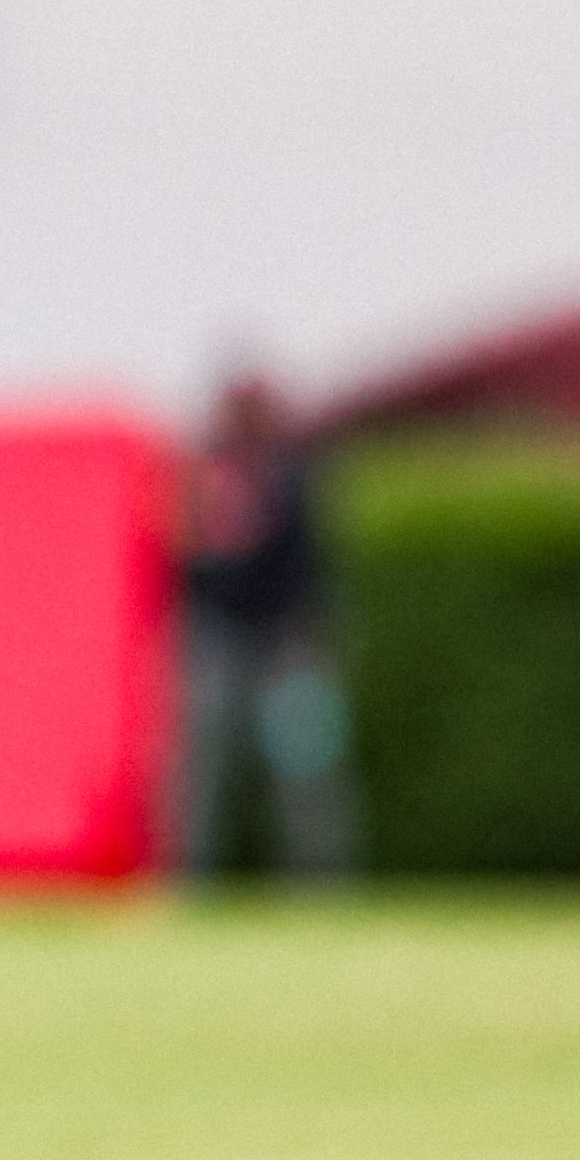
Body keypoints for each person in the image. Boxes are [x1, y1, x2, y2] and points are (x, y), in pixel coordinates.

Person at [175, 372, 357, 877]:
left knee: (306, 770)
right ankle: (187, 877)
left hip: (285, 640)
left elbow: (311, 563)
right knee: (202, 765)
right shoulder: (205, 474)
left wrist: (305, 628)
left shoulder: (294, 474)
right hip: (218, 635)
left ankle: (319, 881)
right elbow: (186, 561)